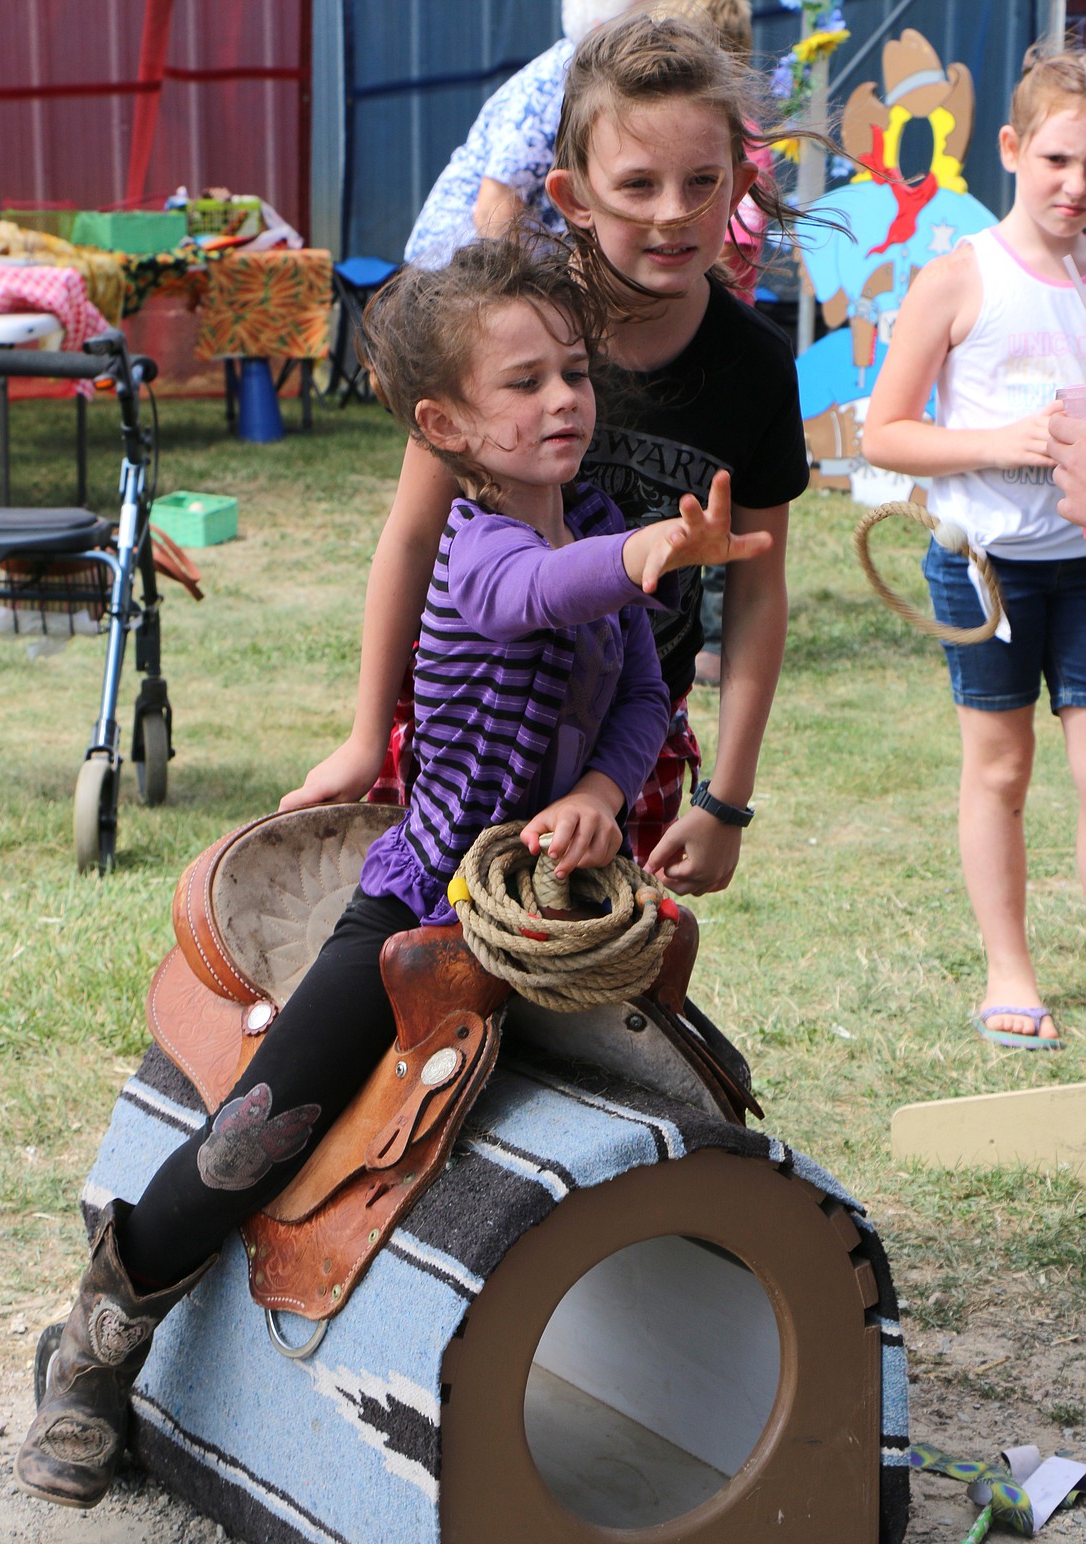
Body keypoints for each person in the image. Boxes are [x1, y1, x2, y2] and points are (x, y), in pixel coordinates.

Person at [14, 234, 768, 1511]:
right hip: (426, 907)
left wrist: (597, 792)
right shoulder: (484, 549)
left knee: (692, 1092)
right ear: (447, 425)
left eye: (573, 373)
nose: (564, 400)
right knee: (262, 1130)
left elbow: (645, 687)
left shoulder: (588, 518)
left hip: (554, 914)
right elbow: (545, 593)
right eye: (522, 383)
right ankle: (96, 1346)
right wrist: (647, 555)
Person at [289, 11, 811, 897]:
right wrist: (363, 729)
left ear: (741, 187)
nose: (674, 212)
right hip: (466, 731)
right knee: (412, 973)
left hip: (622, 746)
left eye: (702, 181)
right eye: (637, 184)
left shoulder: (757, 367)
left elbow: (758, 586)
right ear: (572, 197)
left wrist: (728, 800)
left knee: (584, 995)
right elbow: (412, 539)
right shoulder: (501, 334)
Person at [863, 45, 1086, 1049]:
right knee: (1000, 770)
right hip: (983, 566)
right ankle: (1009, 970)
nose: (1077, 187)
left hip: (1085, 563)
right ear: (1011, 149)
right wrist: (1006, 443)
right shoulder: (959, 279)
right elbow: (884, 433)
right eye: (1058, 162)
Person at [404, 0, 637, 268]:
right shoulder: (555, 87)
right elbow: (496, 205)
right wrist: (522, 294)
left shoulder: (590, 77)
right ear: (600, 30)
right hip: (454, 273)